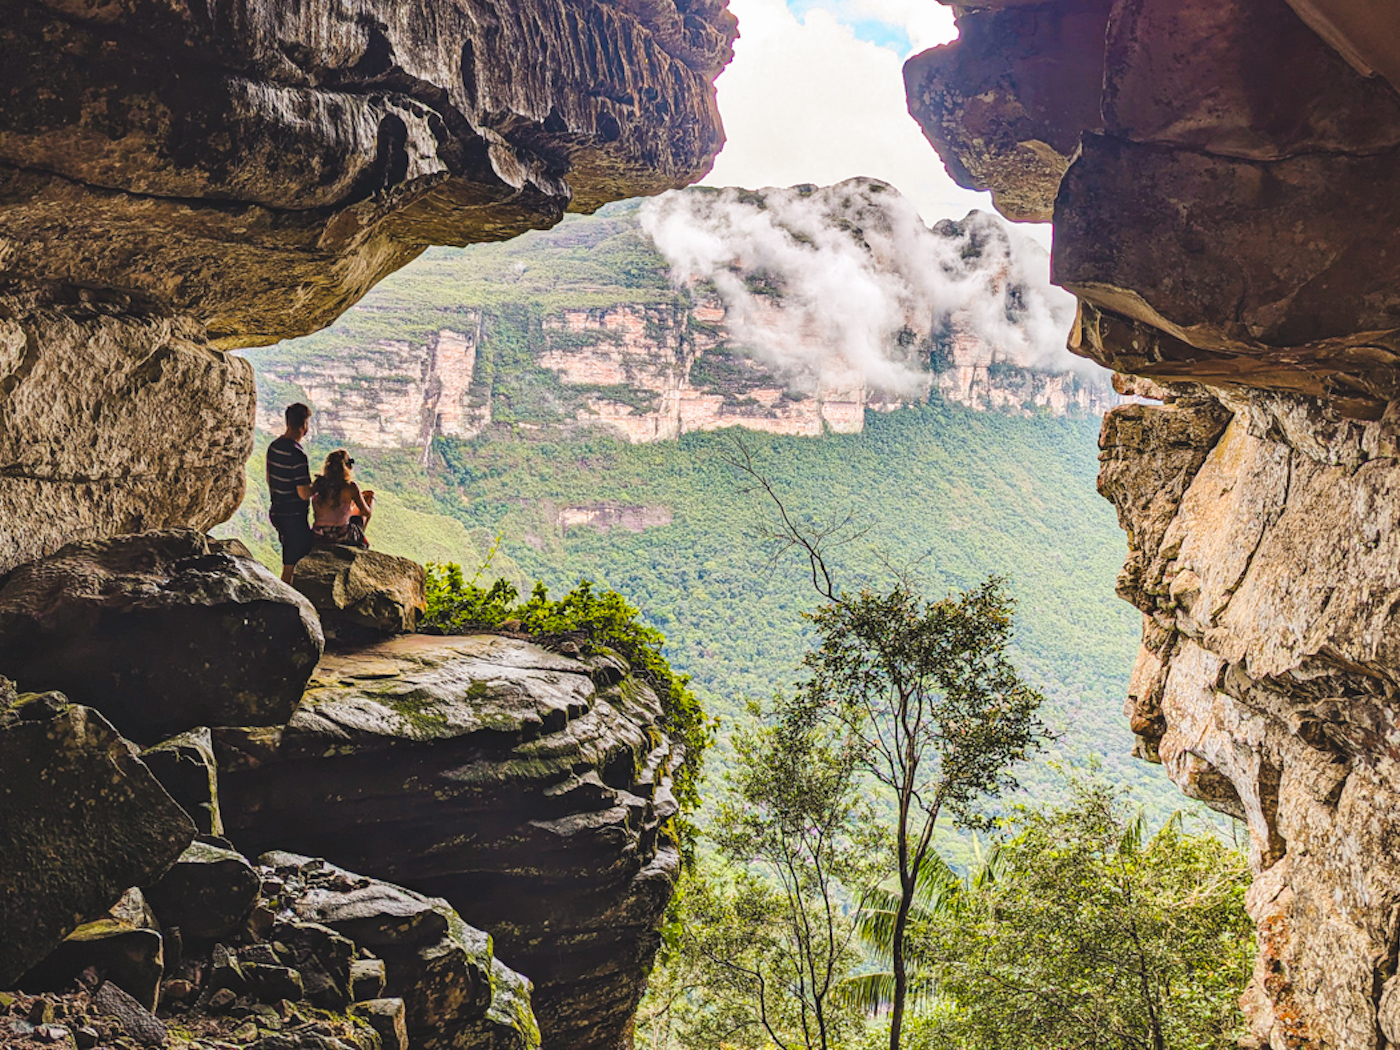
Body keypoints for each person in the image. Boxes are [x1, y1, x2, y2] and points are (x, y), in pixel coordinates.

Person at [267, 403, 314, 583]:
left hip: (277, 511)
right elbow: (303, 493)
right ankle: (287, 604)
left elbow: (269, 479)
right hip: (293, 516)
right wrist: (317, 487)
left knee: (291, 559)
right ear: (304, 427)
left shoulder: (273, 447)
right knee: (292, 566)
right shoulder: (297, 455)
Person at [310, 449, 375, 548]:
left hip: (319, 535)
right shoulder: (350, 486)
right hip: (341, 536)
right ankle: (360, 539)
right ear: (347, 466)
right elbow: (366, 513)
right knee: (369, 497)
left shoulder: (319, 483)